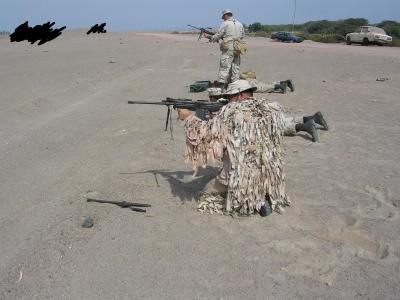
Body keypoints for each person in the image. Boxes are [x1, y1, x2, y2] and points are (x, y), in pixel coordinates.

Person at [178, 80, 289, 216]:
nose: (228, 100)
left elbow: (205, 136)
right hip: (269, 176)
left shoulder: (230, 113)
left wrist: (188, 117)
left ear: (240, 95)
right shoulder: (268, 109)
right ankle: (264, 194)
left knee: (206, 193)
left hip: (240, 177)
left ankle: (254, 202)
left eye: (230, 96)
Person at [203, 84, 328, 142]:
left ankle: (304, 127)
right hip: (273, 112)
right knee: (284, 119)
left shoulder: (238, 106)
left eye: (230, 96)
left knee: (278, 126)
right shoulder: (255, 101)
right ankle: (312, 118)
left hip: (268, 119)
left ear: (239, 95)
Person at [203, 9, 245, 88]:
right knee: (235, 67)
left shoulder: (225, 23)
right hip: (238, 47)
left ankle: (221, 87)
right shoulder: (240, 24)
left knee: (224, 66)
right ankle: (234, 85)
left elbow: (219, 34)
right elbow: (242, 35)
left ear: (226, 15)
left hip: (228, 48)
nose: (223, 19)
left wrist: (210, 38)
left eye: (223, 17)